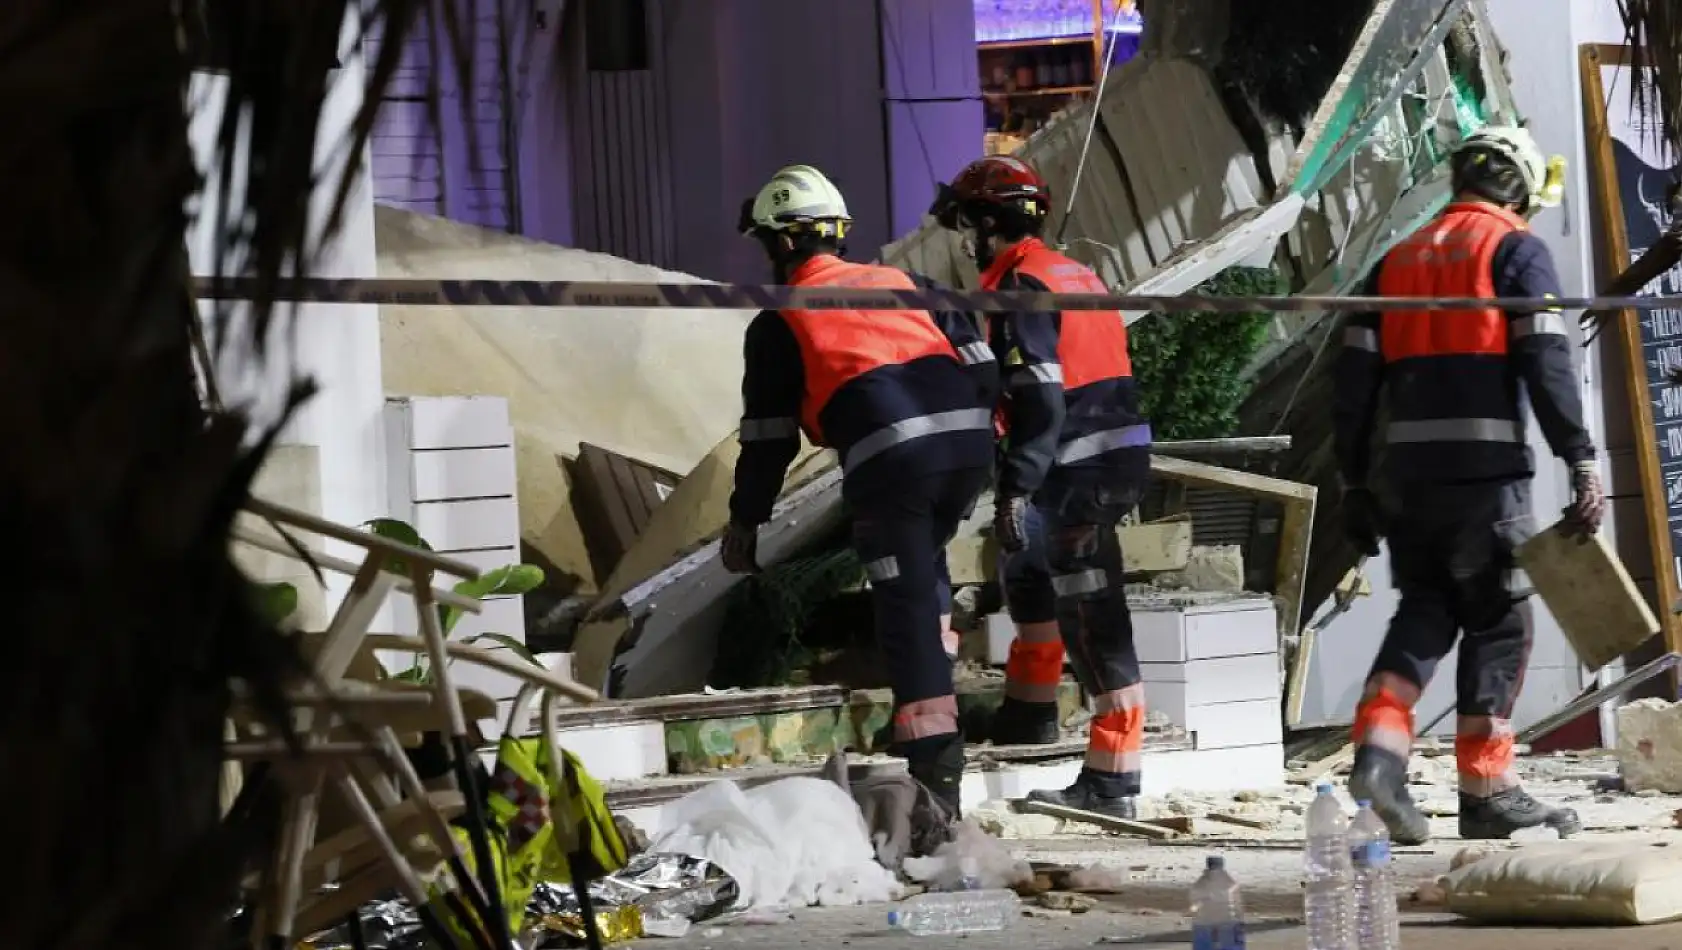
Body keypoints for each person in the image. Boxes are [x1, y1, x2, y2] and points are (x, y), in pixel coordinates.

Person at [1333, 125, 1604, 843]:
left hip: (1405, 481)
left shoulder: (1394, 259)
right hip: (1485, 480)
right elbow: (1547, 361)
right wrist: (1579, 457)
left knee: (1425, 610)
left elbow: (1352, 386)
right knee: (1498, 619)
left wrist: (1355, 484)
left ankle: (1380, 757)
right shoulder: (1514, 251)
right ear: (1515, 185)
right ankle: (1487, 790)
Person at [720, 164, 998, 814]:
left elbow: (768, 438)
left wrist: (745, 520)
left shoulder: (781, 319)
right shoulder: (909, 283)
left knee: (900, 608)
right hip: (967, 448)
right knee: (923, 571)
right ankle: (930, 707)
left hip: (894, 462)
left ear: (782, 243)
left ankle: (934, 778)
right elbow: (983, 370)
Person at [931, 155, 1153, 820]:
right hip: (1097, 459)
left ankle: (1113, 783)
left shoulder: (1022, 286)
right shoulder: (1068, 271)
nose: (964, 238)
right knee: (1026, 567)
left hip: (1077, 467)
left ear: (991, 222)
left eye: (968, 222)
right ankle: (1030, 714)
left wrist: (1015, 487)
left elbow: (1041, 400)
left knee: (1092, 616)